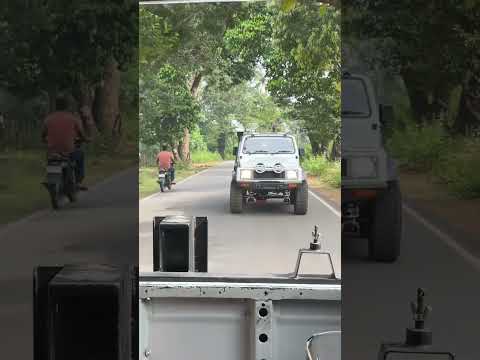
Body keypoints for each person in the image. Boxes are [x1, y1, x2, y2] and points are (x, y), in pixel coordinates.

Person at [42, 96, 89, 190]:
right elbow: (81, 134)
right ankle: (78, 182)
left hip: (52, 152)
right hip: (68, 152)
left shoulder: (48, 119)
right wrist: (85, 139)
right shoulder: (73, 118)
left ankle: (51, 179)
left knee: (50, 158)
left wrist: (46, 140)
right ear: (67, 107)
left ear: (55, 107)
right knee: (80, 154)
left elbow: (43, 135)